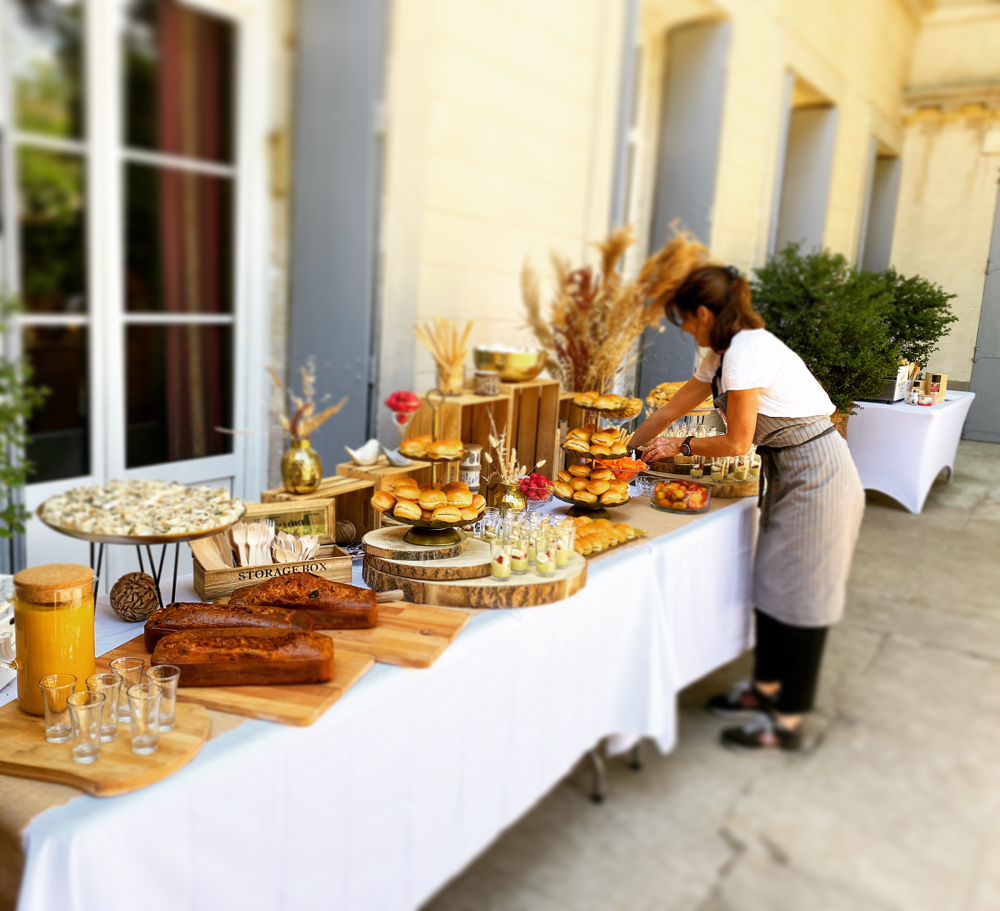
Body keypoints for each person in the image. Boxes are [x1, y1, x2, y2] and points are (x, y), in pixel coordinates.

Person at [631, 264, 865, 752]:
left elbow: (738, 442)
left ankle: (787, 719)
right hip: (788, 469)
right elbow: (672, 408)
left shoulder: (746, 351)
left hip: (818, 471)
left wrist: (681, 447)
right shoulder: (720, 354)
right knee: (776, 586)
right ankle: (764, 692)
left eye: (685, 321)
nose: (685, 331)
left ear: (703, 312)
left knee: (804, 595)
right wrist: (621, 449)